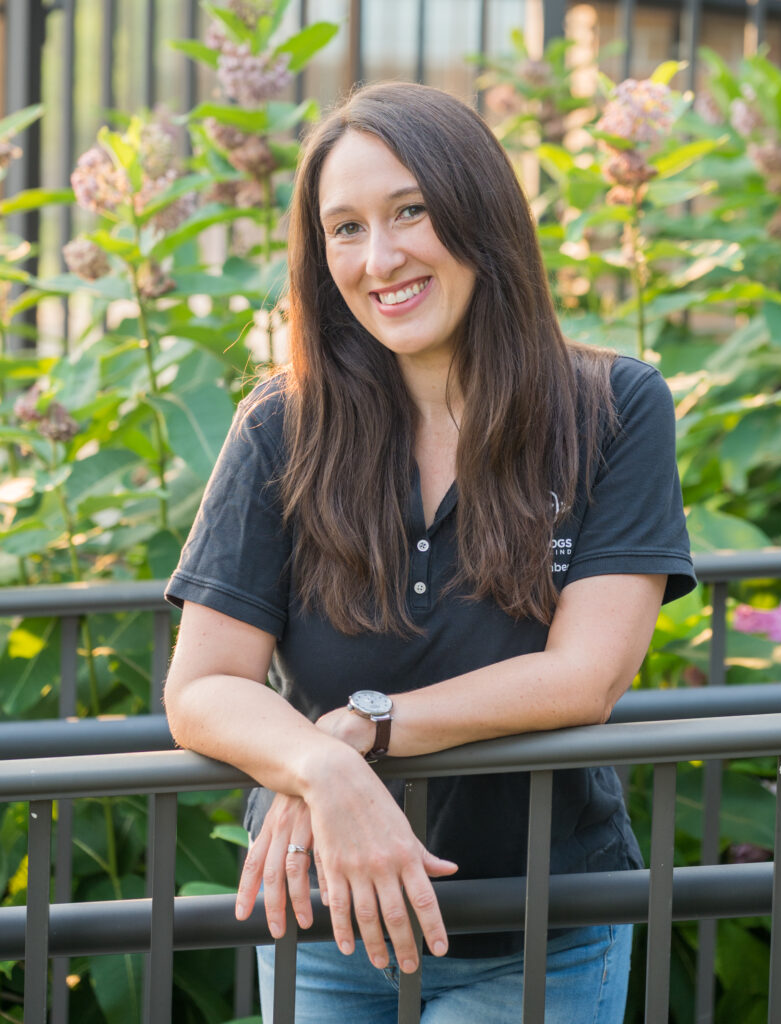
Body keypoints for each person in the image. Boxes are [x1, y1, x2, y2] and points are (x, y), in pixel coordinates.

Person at [163, 81, 696, 1023]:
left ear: (478, 210)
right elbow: (203, 686)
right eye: (344, 228)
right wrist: (322, 767)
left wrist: (360, 723)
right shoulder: (278, 429)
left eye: (410, 210)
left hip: (537, 921)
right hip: (319, 918)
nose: (381, 257)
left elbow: (584, 677)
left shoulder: (613, 409)